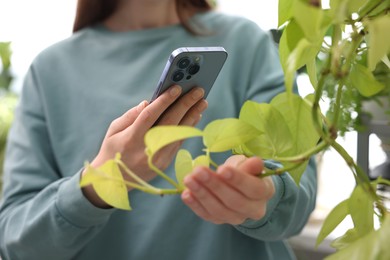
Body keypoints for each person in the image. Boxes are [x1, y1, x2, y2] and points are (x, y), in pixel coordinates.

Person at [0, 0, 317, 259]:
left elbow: (299, 195)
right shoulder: (50, 70)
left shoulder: (247, 43)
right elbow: (15, 241)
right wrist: (102, 179)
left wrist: (264, 194)